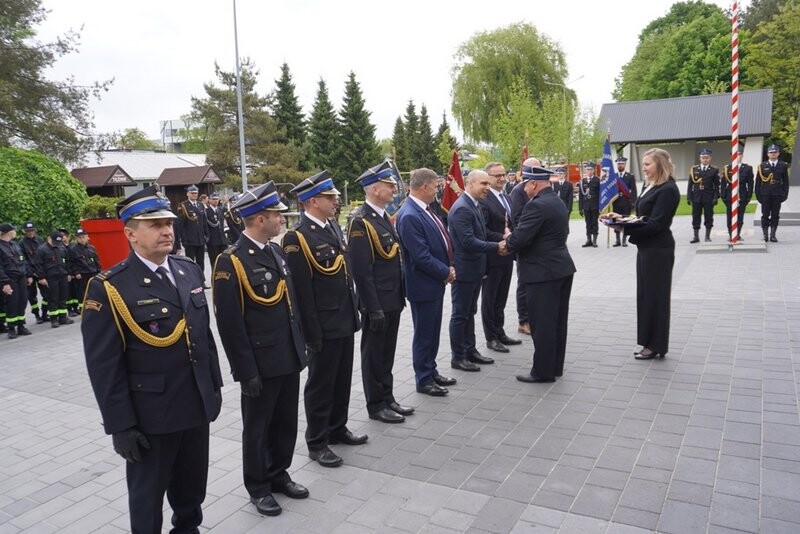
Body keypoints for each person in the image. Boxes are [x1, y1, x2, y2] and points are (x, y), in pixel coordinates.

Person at [81, 185, 223, 533]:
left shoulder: (187, 269)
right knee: (147, 496)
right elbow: (103, 366)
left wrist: (214, 387)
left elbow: (203, 336)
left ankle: (188, 528)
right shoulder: (110, 287)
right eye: (155, 225)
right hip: (151, 415)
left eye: (169, 223)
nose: (166, 231)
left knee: (192, 487)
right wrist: (120, 425)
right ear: (130, 233)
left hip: (195, 403)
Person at [213, 182, 308, 516]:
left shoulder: (276, 252)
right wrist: (245, 370)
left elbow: (290, 305)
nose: (281, 220)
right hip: (260, 362)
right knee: (257, 428)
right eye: (275, 215)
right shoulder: (231, 262)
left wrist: (300, 347)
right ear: (257, 219)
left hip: (287, 355)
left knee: (285, 422)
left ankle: (278, 473)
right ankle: (258, 486)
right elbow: (229, 323)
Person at [282, 170, 365, 468]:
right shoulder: (297, 238)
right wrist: (311, 333)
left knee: (341, 379)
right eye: (330, 197)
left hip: (343, 318)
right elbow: (301, 291)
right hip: (323, 325)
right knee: (321, 383)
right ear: (313, 201)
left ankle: (337, 427)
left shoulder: (331, 227)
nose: (336, 201)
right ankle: (317, 441)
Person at [347, 161, 413, 424]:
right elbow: (361, 271)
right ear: (374, 189)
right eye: (389, 185)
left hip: (392, 298)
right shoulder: (360, 222)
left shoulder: (384, 217)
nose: (394, 188)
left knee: (387, 353)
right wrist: (371, 307)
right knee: (374, 355)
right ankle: (376, 404)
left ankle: (388, 397)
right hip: (377, 302)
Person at [604, 148, 680, 360]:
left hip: (659, 250)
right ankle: (648, 341)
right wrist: (621, 218)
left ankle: (656, 345)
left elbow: (656, 224)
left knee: (656, 297)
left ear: (660, 165)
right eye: (644, 164)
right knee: (646, 296)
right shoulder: (651, 186)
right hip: (647, 248)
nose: (644, 168)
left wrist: (623, 228)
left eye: (647, 164)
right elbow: (644, 217)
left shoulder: (668, 189)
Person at [506, 164, 575, 383]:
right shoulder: (556, 201)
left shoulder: (536, 206)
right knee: (557, 322)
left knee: (543, 323)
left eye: (525, 183)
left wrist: (508, 237)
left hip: (542, 272)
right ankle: (555, 366)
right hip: (561, 268)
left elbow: (520, 239)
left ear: (533, 183)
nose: (523, 187)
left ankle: (543, 371)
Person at [396, 168, 458, 397]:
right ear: (424, 186)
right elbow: (420, 256)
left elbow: (439, 240)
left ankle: (431, 371)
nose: (438, 190)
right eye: (435, 186)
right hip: (423, 284)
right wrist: (445, 272)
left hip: (433, 282)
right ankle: (423, 378)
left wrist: (447, 268)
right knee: (424, 333)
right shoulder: (410, 214)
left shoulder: (424, 209)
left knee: (431, 332)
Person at [447, 170, 503, 372]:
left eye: (488, 184)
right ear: (470, 184)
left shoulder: (474, 205)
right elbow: (469, 242)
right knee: (460, 314)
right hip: (464, 271)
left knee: (470, 311)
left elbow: (481, 234)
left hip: (475, 269)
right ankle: (458, 356)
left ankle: (470, 351)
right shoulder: (462, 208)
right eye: (483, 184)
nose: (487, 188)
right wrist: (496, 247)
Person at [480, 162, 522, 354]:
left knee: (501, 297)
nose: (501, 178)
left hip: (507, 255)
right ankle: (491, 337)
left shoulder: (506, 197)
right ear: (487, 177)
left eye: (503, 174)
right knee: (490, 298)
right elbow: (483, 230)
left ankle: (500, 331)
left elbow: (511, 223)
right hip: (492, 256)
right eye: (496, 175)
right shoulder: (484, 199)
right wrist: (504, 238)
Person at [509, 157, 544, 336]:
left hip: (537, 246)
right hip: (524, 245)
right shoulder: (519, 191)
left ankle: (533, 317)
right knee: (524, 284)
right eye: (534, 169)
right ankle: (523, 321)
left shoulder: (539, 187)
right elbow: (517, 219)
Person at [33, 231, 72, 328]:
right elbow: (38, 265)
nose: (57, 244)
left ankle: (63, 317)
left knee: (63, 297)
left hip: (62, 276)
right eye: (55, 242)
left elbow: (67, 261)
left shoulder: (62, 247)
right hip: (50, 278)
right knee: (53, 298)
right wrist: (41, 277)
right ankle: (54, 319)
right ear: (49, 238)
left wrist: (68, 273)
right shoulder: (42, 250)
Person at [0, 223, 33, 339]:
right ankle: (11, 328)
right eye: (14, 230)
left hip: (21, 278)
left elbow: (24, 261)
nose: (15, 232)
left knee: (22, 301)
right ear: (8, 232)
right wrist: (5, 283)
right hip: (10, 279)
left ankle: (21, 326)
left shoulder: (15, 245)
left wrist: (28, 275)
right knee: (12, 303)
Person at [755, 144, 790, 243]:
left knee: (775, 215)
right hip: (765, 193)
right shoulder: (762, 166)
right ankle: (765, 235)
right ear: (767, 154)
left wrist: (785, 194)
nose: (773, 154)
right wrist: (758, 195)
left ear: (778, 153)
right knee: (765, 215)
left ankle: (773, 235)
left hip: (777, 194)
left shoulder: (783, 165)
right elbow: (758, 182)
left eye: (775, 152)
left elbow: (786, 182)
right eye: (771, 152)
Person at [687, 148, 720, 243]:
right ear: (700, 158)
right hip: (696, 197)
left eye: (707, 158)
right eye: (703, 158)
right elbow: (690, 185)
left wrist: (716, 197)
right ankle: (696, 237)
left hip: (708, 197)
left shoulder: (714, 170)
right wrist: (689, 197)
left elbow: (717, 185)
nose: (705, 159)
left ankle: (707, 236)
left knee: (709, 216)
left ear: (710, 158)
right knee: (695, 216)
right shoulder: (694, 169)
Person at [176, 184, 209, 279]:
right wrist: (184, 239)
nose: (194, 195)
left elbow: (203, 222)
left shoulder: (200, 205)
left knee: (201, 262)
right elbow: (181, 225)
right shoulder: (183, 206)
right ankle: (192, 281)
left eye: (196, 193)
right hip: (190, 239)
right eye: (192, 193)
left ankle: (201, 280)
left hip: (200, 239)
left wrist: (206, 235)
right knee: (190, 262)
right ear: (188, 194)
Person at [720, 150, 754, 242]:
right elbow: (723, 183)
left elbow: (750, 183)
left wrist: (749, 196)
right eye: (734, 155)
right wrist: (723, 195)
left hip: (742, 195)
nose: (736, 156)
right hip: (729, 196)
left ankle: (737, 234)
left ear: (742, 156)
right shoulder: (727, 168)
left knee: (740, 216)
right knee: (730, 216)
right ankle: (731, 234)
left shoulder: (747, 168)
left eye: (738, 155)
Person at [68, 228, 101, 312]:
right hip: (82, 274)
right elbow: (71, 263)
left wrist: (99, 271)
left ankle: (94, 308)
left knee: (94, 291)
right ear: (76, 238)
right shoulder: (73, 249)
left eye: (83, 237)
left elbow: (96, 260)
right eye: (79, 237)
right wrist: (76, 273)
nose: (81, 239)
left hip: (93, 273)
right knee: (82, 293)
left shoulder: (91, 248)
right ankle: (83, 309)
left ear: (87, 237)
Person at [19, 221, 46, 324]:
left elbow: (43, 256)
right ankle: (37, 315)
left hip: (41, 272)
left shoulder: (39, 240)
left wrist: (41, 271)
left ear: (35, 230)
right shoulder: (21, 243)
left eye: (32, 230)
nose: (30, 232)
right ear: (24, 232)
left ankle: (44, 313)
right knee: (32, 295)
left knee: (46, 294)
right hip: (30, 274)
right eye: (28, 231)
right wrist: (30, 274)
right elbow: (24, 260)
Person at [611, 157, 638, 247]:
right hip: (616, 202)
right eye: (618, 164)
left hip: (626, 202)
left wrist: (633, 202)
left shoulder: (630, 176)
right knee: (616, 221)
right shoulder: (613, 176)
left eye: (622, 163)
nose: (620, 165)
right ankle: (617, 240)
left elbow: (633, 190)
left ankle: (624, 240)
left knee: (625, 221)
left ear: (625, 164)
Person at [578, 161, 600, 247]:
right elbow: (580, 196)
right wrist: (580, 208)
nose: (589, 171)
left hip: (594, 205)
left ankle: (594, 240)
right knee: (588, 223)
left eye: (590, 169)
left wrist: (600, 207)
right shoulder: (582, 181)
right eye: (587, 169)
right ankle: (588, 240)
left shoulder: (597, 180)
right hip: (586, 206)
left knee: (594, 223)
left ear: (594, 170)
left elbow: (599, 194)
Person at [205, 192, 227, 266]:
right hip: (213, 241)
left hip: (222, 240)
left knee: (224, 262)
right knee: (214, 263)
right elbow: (205, 226)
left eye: (217, 199)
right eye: (213, 199)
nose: (216, 201)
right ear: (209, 200)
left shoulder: (220, 210)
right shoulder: (206, 211)